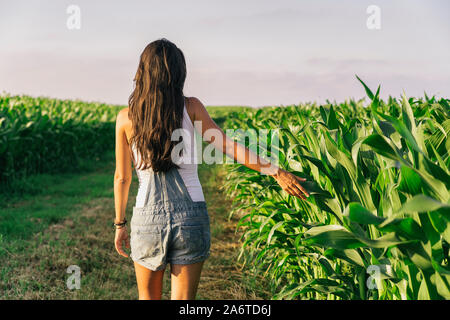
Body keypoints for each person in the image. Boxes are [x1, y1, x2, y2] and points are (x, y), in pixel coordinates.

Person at [113, 38, 309, 300]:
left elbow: (123, 177)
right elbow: (228, 146)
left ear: (143, 72)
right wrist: (276, 171)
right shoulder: (191, 107)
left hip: (147, 221)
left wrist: (120, 224)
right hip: (191, 219)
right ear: (178, 73)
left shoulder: (126, 118)